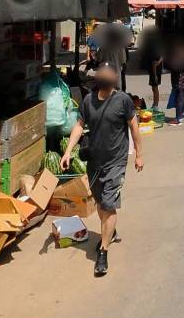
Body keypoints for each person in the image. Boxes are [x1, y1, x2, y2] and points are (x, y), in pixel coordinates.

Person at [61, 63, 143, 277]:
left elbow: (134, 126)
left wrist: (139, 155)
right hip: (95, 162)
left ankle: (103, 251)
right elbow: (79, 125)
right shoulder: (88, 101)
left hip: (116, 162)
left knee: (108, 203)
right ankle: (110, 231)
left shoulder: (123, 100)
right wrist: (68, 151)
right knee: (100, 203)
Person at [164, 34, 184, 124]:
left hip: (180, 79)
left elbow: (175, 67)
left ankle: (178, 119)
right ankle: (183, 113)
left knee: (179, 98)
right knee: (182, 96)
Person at [138, 18, 164, 108]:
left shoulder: (153, 47)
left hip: (155, 71)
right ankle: (155, 104)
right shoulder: (158, 44)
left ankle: (155, 104)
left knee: (155, 87)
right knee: (154, 87)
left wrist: (155, 74)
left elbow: (154, 62)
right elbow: (161, 57)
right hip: (156, 69)